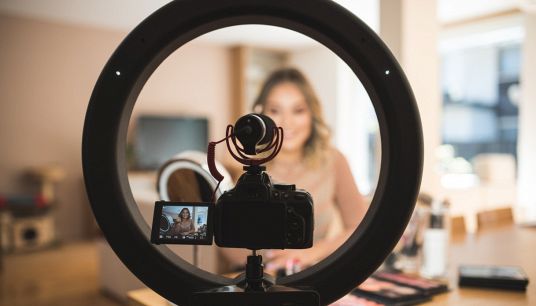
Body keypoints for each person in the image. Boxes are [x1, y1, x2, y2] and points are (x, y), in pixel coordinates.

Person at [221, 67, 368, 274]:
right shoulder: (240, 164)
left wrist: (310, 253)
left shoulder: (334, 160)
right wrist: (269, 262)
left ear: (312, 114)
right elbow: (224, 239)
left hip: (312, 277)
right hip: (250, 279)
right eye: (275, 111)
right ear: (261, 115)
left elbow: (360, 227)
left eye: (298, 111)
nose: (287, 123)